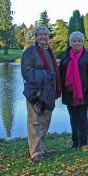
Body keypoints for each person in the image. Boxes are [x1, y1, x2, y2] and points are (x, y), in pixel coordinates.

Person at [21, 26, 61, 162]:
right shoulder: (29, 52)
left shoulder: (48, 51)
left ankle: (41, 146)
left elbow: (53, 71)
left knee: (46, 119)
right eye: (40, 34)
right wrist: (46, 76)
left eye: (46, 34)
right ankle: (35, 152)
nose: (43, 36)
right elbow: (26, 72)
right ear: (36, 36)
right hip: (35, 91)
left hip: (49, 91)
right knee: (34, 121)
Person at [59, 31, 88, 150]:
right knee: (72, 118)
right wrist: (59, 89)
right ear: (70, 42)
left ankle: (83, 142)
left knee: (82, 118)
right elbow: (60, 74)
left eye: (79, 41)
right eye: (74, 41)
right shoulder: (65, 56)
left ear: (83, 42)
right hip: (68, 92)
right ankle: (75, 142)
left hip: (84, 92)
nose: (77, 43)